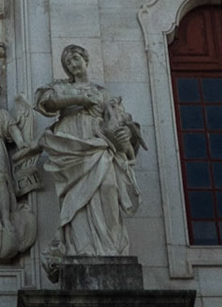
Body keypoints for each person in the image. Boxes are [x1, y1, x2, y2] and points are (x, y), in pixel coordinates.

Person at [33, 44, 143, 258]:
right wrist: (79, 99)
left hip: (99, 142)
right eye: (67, 63)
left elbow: (119, 118)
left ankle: (111, 248)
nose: (73, 64)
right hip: (72, 144)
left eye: (75, 58)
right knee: (78, 197)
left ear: (85, 59)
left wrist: (127, 134)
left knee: (109, 187)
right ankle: (83, 249)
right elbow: (45, 102)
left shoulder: (102, 92)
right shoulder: (62, 87)